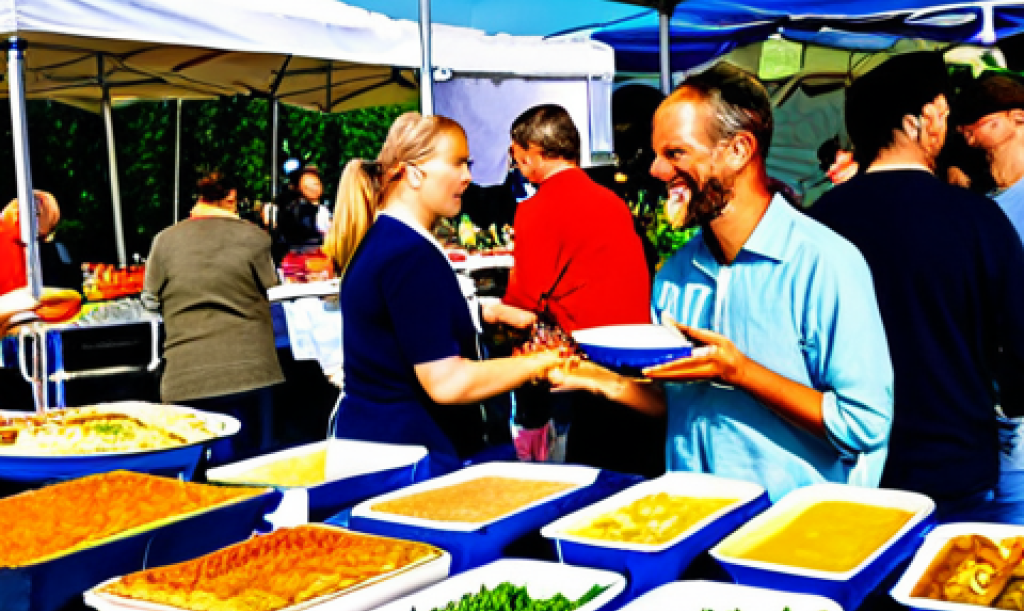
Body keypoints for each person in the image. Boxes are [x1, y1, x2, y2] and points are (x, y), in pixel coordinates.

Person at [550, 64, 893, 501]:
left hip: (794, 532)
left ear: (738, 150)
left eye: (675, 153)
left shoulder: (825, 263)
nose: (655, 169)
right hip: (694, 520)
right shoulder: (676, 274)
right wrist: (596, 379)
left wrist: (740, 372)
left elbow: (863, 426)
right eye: (657, 153)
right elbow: (676, 401)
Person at [813, 53, 1024, 521]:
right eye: (943, 113)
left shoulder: (818, 221)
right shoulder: (976, 219)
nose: (946, 126)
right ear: (918, 122)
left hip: (847, 465)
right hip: (953, 463)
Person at [324, 112, 564, 463]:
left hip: (378, 447)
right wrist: (541, 362)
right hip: (408, 458)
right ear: (415, 172)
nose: (468, 177)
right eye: (458, 163)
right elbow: (448, 383)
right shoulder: (409, 254)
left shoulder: (388, 241)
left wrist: (486, 313)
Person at [491, 104, 662, 476]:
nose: (516, 164)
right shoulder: (612, 202)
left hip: (583, 372)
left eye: (516, 155)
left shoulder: (537, 209)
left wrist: (483, 311)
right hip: (639, 367)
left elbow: (523, 307)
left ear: (533, 152)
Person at [143, 169, 283, 459]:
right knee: (255, 470)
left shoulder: (164, 241)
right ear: (232, 197)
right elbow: (273, 289)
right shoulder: (254, 237)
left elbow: (149, 301)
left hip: (184, 378)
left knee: (196, 477)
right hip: (252, 373)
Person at [957, 72, 1024, 521]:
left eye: (978, 120)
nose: (967, 132)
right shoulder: (988, 204)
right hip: (998, 411)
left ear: (1017, 117)